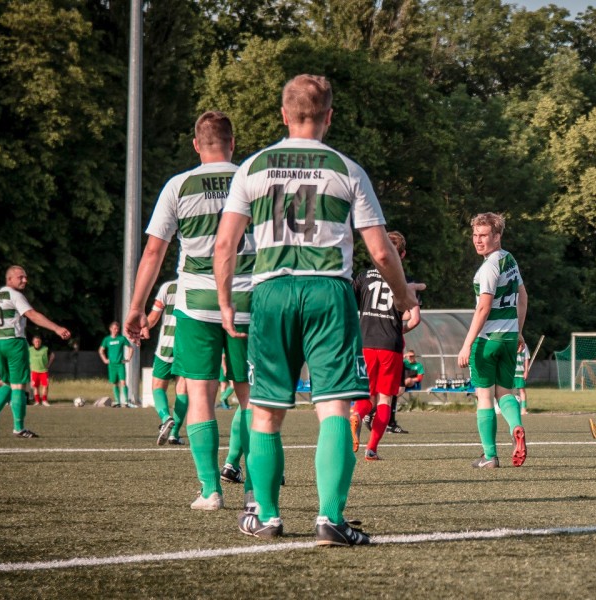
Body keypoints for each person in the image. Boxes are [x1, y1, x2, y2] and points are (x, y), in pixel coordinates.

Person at [214, 74, 418, 543]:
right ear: (329, 117)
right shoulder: (346, 169)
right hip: (329, 291)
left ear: (284, 115)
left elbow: (225, 244)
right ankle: (330, 517)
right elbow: (382, 252)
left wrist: (227, 301)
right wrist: (405, 297)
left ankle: (265, 515)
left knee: (265, 412)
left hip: (270, 294)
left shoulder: (253, 167)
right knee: (334, 408)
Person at [125, 110, 254, 512]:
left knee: (199, 393)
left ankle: (210, 490)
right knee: (253, 399)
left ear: (197, 145)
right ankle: (255, 489)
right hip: (250, 301)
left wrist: (136, 306)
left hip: (196, 303)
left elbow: (153, 251)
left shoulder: (178, 185)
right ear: (233, 143)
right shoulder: (252, 178)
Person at [457, 212, 528, 469]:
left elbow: (483, 308)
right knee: (505, 392)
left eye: (484, 235)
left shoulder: (488, 267)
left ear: (497, 236)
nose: (478, 240)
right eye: (475, 235)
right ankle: (516, 426)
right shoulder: (509, 259)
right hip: (509, 339)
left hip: (487, 340)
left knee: (484, 396)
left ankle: (490, 456)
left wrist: (467, 344)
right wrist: (518, 331)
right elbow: (523, 297)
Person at [351, 232, 425, 459]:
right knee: (384, 399)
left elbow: (350, 308)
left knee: (366, 395)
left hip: (365, 343)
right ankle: (371, 449)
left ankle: (355, 414)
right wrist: (394, 328)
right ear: (402, 254)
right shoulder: (405, 281)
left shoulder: (363, 276)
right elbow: (415, 319)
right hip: (390, 345)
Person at [0, 265, 71, 438]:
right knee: (19, 386)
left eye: (25, 277)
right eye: (20, 277)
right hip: (14, 343)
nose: (25, 280)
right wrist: (56, 328)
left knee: (8, 383)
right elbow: (32, 314)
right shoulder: (15, 295)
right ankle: (19, 428)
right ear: (9, 279)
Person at [144, 279, 189, 445]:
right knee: (183, 390)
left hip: (166, 345)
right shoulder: (202, 284)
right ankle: (174, 434)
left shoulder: (168, 287)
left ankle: (165, 417)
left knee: (157, 386)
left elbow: (153, 318)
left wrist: (142, 326)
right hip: (188, 346)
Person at [99, 321, 133, 407]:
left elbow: (131, 348)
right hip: (111, 365)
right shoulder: (107, 339)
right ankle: (117, 401)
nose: (116, 330)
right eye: (114, 328)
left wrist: (128, 359)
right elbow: (101, 350)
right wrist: (105, 359)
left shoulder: (121, 339)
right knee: (114, 383)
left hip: (120, 364)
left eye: (117, 328)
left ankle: (126, 402)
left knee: (123, 382)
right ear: (110, 329)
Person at [28, 335, 55, 406]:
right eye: (36, 341)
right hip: (34, 371)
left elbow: (52, 355)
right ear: (33, 342)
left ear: (41, 342)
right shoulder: (29, 350)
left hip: (44, 371)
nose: (37, 343)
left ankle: (44, 400)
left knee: (45, 386)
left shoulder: (45, 349)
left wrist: (49, 365)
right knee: (35, 387)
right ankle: (37, 401)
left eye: (39, 341)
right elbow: (25, 358)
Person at [515, 342, 531, 415]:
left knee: (522, 390)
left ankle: (523, 409)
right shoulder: (509, 341)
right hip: (509, 372)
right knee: (508, 391)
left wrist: (526, 371)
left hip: (520, 372)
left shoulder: (524, 344)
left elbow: (526, 358)